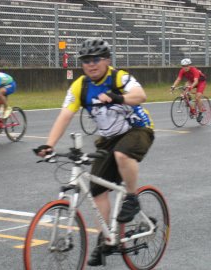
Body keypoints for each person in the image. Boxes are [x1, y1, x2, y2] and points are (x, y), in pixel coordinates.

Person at [34, 38, 154, 267]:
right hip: (109, 138)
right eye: (86, 61)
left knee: (122, 154)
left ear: (107, 60)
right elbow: (65, 115)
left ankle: (132, 197)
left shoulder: (119, 77)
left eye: (96, 59)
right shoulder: (80, 85)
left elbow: (141, 95)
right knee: (97, 191)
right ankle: (106, 239)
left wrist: (119, 97)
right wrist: (48, 145)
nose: (91, 64)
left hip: (138, 128)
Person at [170, 58, 207, 122]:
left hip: (200, 82)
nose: (185, 67)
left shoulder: (194, 70)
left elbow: (196, 81)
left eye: (187, 66)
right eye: (183, 66)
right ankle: (192, 109)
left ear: (190, 65)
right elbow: (178, 79)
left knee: (197, 97)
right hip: (191, 81)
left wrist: (190, 87)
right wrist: (173, 86)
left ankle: (201, 112)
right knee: (184, 93)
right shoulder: (182, 71)